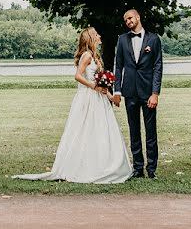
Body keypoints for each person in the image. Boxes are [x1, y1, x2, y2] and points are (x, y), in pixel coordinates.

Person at [13, 27, 132, 183]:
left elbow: (100, 84)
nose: (99, 35)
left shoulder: (95, 57)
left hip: (98, 99)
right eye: (96, 34)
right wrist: (93, 87)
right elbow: (77, 76)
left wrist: (111, 96)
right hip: (88, 98)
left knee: (100, 130)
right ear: (90, 38)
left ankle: (102, 164)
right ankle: (84, 168)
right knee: (85, 130)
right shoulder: (87, 55)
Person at [112, 9, 163, 179]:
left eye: (130, 17)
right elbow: (118, 66)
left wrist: (155, 93)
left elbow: (157, 67)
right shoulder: (122, 39)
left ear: (138, 17)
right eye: (125, 19)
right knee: (134, 131)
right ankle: (138, 168)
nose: (128, 21)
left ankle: (152, 169)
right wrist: (117, 90)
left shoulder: (153, 39)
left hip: (148, 92)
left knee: (151, 132)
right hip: (129, 92)